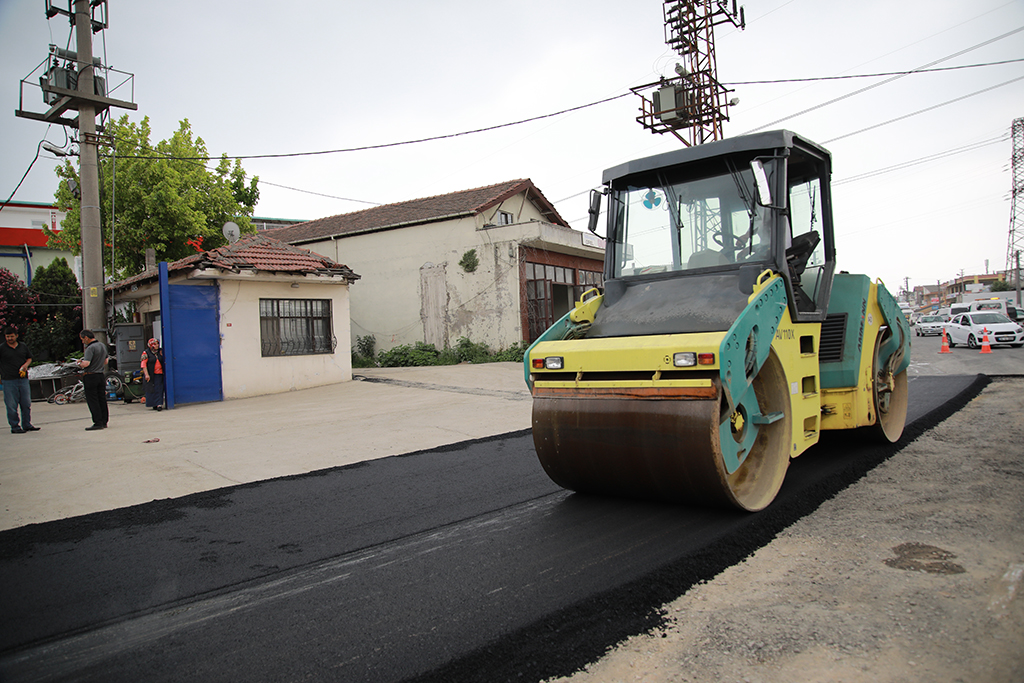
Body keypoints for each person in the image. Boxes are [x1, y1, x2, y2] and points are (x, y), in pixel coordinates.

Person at [1, 326, 39, 434]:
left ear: (16, 336)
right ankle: (15, 426)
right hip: (8, 380)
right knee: (11, 405)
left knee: (26, 403)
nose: (9, 338)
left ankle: (27, 424)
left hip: (23, 379)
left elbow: (29, 357)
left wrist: (25, 365)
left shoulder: (23, 346)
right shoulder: (2, 348)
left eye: (11, 336)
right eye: (7, 337)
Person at [77, 329, 109, 431]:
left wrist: (79, 363)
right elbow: (106, 361)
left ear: (86, 337)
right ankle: (104, 421)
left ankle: (97, 422)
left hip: (90, 375)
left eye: (82, 339)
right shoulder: (102, 346)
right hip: (100, 375)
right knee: (102, 399)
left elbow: (86, 364)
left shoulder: (90, 348)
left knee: (93, 400)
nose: (82, 341)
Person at [140, 337, 165, 411]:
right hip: (151, 374)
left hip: (159, 373)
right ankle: (153, 404)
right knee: (151, 389)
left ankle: (159, 404)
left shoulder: (160, 352)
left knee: (159, 388)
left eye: (157, 343)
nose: (157, 345)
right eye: (156, 344)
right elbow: (143, 364)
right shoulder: (146, 353)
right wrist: (146, 374)